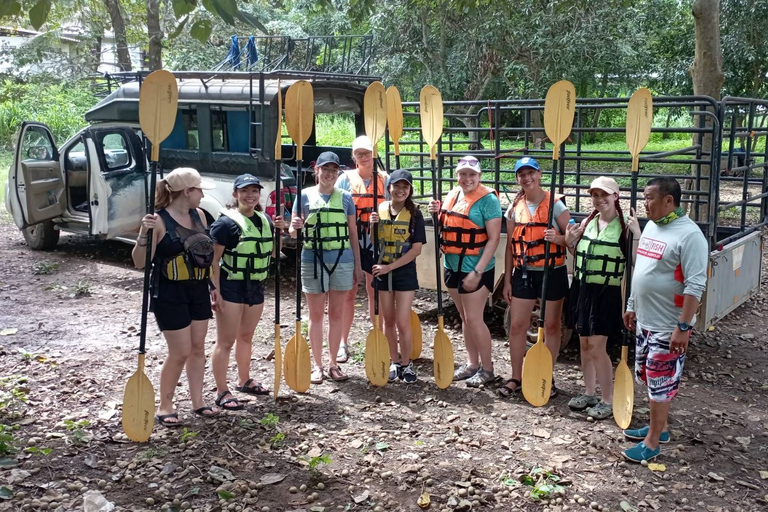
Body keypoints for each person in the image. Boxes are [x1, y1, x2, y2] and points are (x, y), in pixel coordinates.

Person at [621, 177, 707, 463]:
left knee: (660, 382)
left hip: (668, 326)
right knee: (649, 377)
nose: (645, 203)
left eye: (649, 198)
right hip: (645, 321)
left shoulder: (690, 235)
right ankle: (661, 427)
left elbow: (696, 285)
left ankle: (653, 441)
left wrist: (683, 327)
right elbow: (641, 268)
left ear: (669, 200)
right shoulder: (654, 227)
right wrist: (632, 303)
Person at [131, 167, 218, 427]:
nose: (202, 194)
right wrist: (142, 235)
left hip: (198, 289)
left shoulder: (200, 215)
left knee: (198, 348)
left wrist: (214, 286)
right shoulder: (157, 221)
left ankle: (198, 401)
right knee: (180, 351)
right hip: (169, 292)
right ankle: (165, 405)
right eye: (199, 190)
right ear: (186, 192)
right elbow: (138, 263)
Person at [563, 177, 641, 419]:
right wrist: (568, 243)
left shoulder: (625, 226)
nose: (599, 200)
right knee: (584, 345)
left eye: (604, 195)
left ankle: (607, 399)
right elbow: (580, 254)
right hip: (582, 288)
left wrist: (637, 235)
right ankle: (589, 393)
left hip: (606, 292)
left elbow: (637, 261)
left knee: (598, 347)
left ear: (616, 196)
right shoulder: (589, 222)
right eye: (595, 195)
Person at [208, 174, 286, 410]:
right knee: (225, 341)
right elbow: (213, 262)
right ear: (235, 194)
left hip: (255, 287)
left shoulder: (265, 220)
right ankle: (222, 391)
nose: (250, 195)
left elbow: (273, 253)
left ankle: (244, 379)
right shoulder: (225, 224)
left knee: (246, 337)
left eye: (254, 191)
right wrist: (215, 291)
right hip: (231, 286)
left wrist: (280, 233)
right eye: (245, 191)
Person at [500, 156, 571, 398]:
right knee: (517, 326)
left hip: (553, 272)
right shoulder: (514, 208)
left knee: (551, 326)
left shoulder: (556, 205)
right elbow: (510, 246)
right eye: (522, 174)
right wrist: (507, 279)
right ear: (518, 178)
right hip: (523, 273)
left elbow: (572, 241)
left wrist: (558, 238)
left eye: (531, 172)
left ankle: (545, 376)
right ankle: (516, 377)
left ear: (539, 174)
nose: (527, 178)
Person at [427, 156, 502, 387]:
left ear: (479, 176)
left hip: (476, 268)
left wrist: (478, 271)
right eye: (463, 174)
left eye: (472, 174)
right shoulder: (452, 195)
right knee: (464, 318)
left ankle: (487, 369)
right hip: (452, 266)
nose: (467, 178)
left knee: (474, 318)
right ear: (457, 175)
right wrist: (435, 213)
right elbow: (448, 226)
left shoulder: (488, 200)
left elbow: (493, 239)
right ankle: (472, 364)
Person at [290, 151, 363, 384]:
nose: (330, 174)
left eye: (334, 170)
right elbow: (293, 232)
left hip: (342, 259)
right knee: (316, 314)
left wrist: (358, 266)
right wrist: (295, 226)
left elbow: (353, 233)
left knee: (337, 313)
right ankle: (317, 365)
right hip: (312, 259)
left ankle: (333, 363)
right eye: (325, 169)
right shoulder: (303, 196)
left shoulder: (345, 198)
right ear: (317, 171)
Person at [369, 170, 427, 383]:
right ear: (389, 187)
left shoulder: (415, 214)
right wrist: (372, 225)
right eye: (396, 186)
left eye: (405, 187)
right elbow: (374, 242)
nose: (400, 190)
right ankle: (394, 360)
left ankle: (407, 364)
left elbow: (416, 250)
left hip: (403, 271)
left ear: (410, 190)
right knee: (389, 320)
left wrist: (390, 267)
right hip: (382, 270)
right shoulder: (381, 209)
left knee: (403, 320)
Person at [335, 135, 389, 362]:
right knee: (348, 292)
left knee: (374, 289)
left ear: (374, 153)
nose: (364, 157)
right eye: (359, 153)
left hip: (376, 242)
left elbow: (397, 206)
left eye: (367, 153)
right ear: (353, 156)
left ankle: (378, 336)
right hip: (351, 242)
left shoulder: (385, 179)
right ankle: (342, 342)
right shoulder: (344, 180)